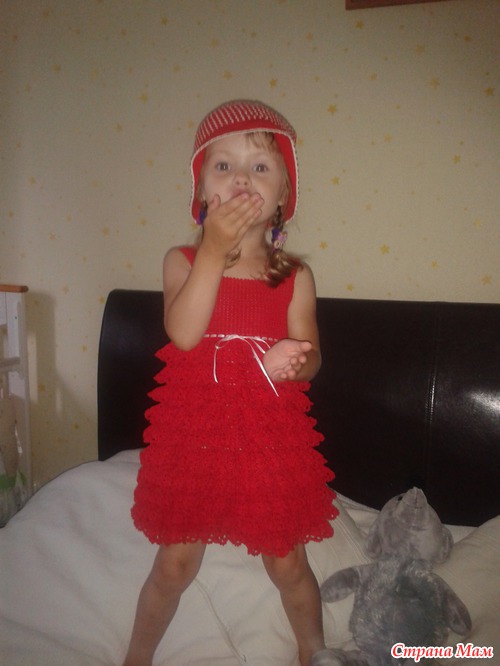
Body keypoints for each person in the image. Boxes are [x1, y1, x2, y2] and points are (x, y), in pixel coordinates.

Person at [123, 100, 338, 666]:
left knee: (287, 562)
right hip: (196, 439)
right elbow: (184, 334)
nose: (241, 178)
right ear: (200, 191)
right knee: (174, 565)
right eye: (223, 166)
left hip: (267, 438)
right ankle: (137, 656)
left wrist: (296, 361)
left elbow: (313, 355)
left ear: (283, 195)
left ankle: (314, 649)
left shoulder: (294, 276)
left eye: (260, 167)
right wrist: (214, 252)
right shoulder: (181, 261)